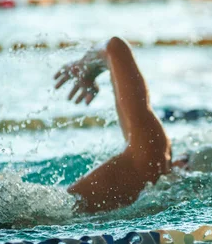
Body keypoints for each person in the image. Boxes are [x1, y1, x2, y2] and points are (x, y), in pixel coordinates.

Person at [54, 37, 176, 213]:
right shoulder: (152, 160)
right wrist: (86, 66)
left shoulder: (151, 165)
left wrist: (87, 68)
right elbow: (116, 46)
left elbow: (115, 47)